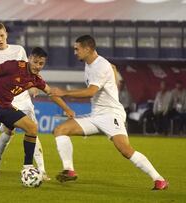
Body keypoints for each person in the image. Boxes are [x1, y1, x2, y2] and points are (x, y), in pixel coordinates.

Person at [50, 35, 168, 190]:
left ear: (87, 49)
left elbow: (91, 92)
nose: (75, 52)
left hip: (111, 114)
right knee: (61, 130)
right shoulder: (90, 64)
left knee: (125, 150)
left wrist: (64, 93)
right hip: (96, 115)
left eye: (77, 49)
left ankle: (159, 180)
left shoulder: (100, 66)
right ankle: (69, 170)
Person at [0, 47, 75, 181]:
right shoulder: (13, 66)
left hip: (5, 107)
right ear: (29, 59)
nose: (37, 66)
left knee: (32, 128)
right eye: (35, 62)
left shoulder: (36, 79)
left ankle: (27, 167)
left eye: (41, 64)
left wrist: (67, 109)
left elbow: (51, 93)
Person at [0, 23, 50, 180]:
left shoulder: (18, 50)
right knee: (8, 131)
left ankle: (41, 169)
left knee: (33, 129)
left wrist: (33, 87)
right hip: (4, 100)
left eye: (1, 35)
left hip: (23, 98)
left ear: (6, 34)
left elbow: (29, 70)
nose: (0, 39)